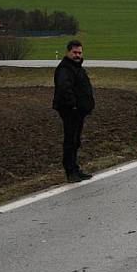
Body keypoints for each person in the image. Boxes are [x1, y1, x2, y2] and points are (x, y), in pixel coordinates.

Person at [52, 39, 95, 183]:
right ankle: (70, 172)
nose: (77, 55)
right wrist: (74, 106)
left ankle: (75, 169)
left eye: (79, 52)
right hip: (70, 111)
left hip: (78, 111)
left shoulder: (76, 68)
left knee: (75, 140)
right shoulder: (65, 69)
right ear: (68, 52)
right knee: (70, 141)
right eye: (74, 52)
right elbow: (64, 89)